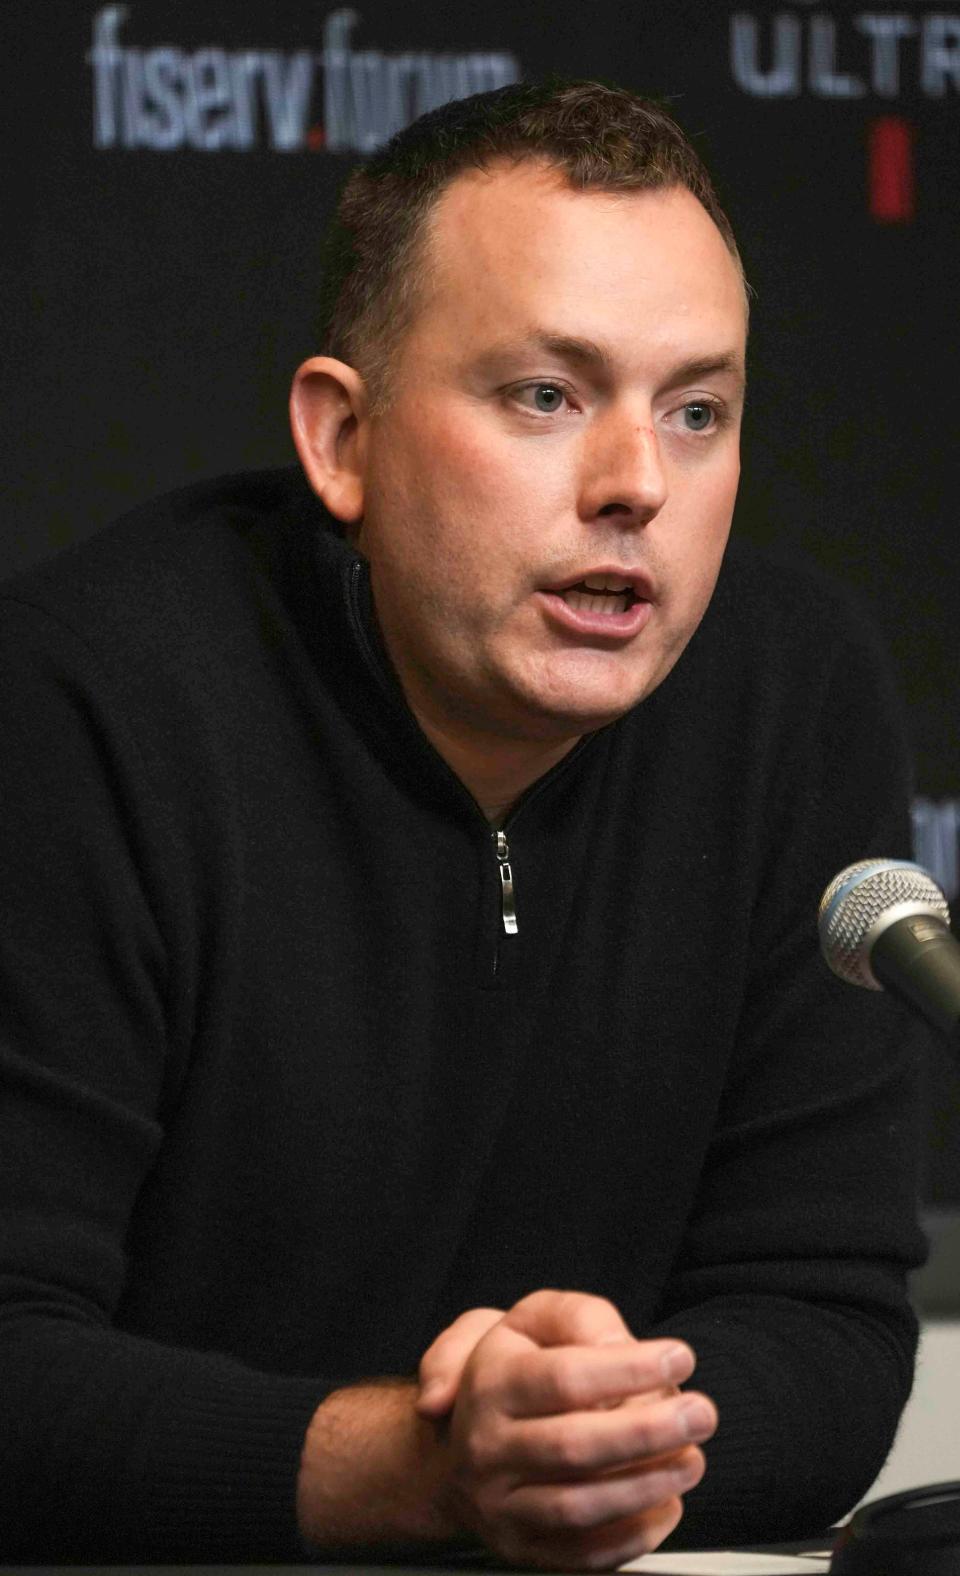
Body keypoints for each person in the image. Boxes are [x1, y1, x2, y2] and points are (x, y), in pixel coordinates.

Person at [0, 78, 925, 1569]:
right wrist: (422, 1470)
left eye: (698, 412)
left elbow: (820, 1317)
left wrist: (599, 1438)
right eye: (545, 397)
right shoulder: (81, 707)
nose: (635, 485)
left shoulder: (792, 698)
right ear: (341, 441)